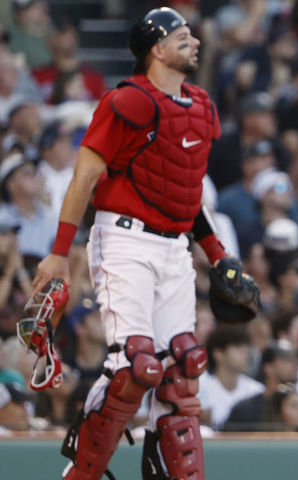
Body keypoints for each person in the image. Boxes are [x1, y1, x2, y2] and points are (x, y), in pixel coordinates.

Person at [30, 8, 241, 480]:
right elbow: (85, 175)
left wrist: (219, 256)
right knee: (136, 363)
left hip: (175, 248)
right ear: (156, 48)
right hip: (125, 238)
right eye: (181, 37)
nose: (194, 42)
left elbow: (185, 197)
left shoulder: (202, 105)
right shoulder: (129, 100)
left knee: (184, 366)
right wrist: (60, 252)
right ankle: (81, 474)